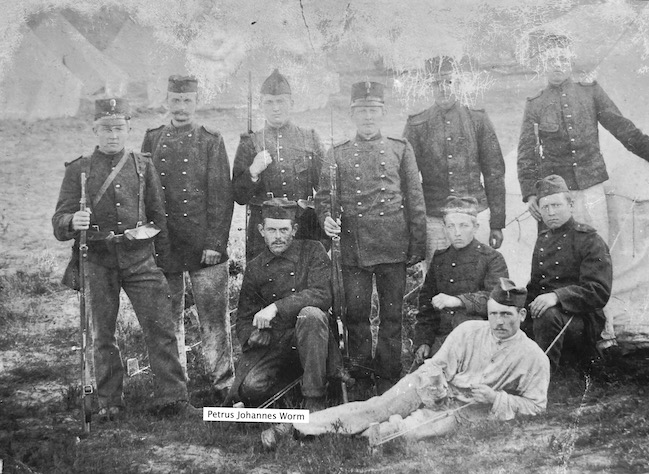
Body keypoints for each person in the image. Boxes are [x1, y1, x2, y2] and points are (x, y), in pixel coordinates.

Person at [52, 98, 197, 419]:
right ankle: (109, 401)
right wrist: (72, 220)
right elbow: (59, 221)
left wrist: (164, 263)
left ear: (129, 128)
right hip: (97, 261)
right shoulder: (79, 169)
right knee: (102, 334)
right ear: (95, 129)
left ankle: (173, 397)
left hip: (140, 260)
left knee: (161, 328)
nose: (113, 135)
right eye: (106, 128)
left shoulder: (142, 166)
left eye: (119, 128)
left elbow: (159, 216)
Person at [293, 278, 549, 442]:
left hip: (465, 411)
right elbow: (437, 366)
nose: (499, 322)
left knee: (405, 433)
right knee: (379, 407)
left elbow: (537, 406)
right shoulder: (469, 330)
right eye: (493, 314)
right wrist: (436, 385)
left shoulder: (534, 357)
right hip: (429, 387)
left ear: (522, 315)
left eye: (506, 315)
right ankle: (300, 425)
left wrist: (495, 398)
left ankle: (360, 435)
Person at [517, 33, 649, 349]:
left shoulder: (589, 91)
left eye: (563, 59)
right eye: (551, 60)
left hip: (591, 188)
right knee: (557, 261)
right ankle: (558, 330)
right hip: (556, 196)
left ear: (571, 61)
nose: (558, 65)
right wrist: (530, 193)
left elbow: (621, 126)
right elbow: (526, 151)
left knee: (596, 255)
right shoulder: (536, 103)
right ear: (543, 64)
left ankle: (604, 330)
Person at [316, 81, 427, 397]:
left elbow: (414, 198)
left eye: (373, 110)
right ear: (352, 114)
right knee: (356, 316)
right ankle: (362, 378)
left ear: (383, 113)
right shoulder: (337, 153)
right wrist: (326, 218)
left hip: (393, 244)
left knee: (392, 317)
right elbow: (324, 197)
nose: (367, 117)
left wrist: (417, 244)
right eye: (362, 111)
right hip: (355, 247)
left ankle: (389, 375)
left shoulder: (400, 149)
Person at [141, 75, 235, 398]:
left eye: (187, 101)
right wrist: (152, 242)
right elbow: (146, 193)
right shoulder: (153, 138)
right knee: (169, 320)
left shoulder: (211, 140)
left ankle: (223, 384)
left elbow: (221, 195)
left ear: (197, 102)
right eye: (176, 100)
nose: (181, 107)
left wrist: (215, 243)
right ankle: (176, 387)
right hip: (165, 244)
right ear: (166, 101)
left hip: (204, 246)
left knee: (214, 320)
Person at [225, 198, 334, 410]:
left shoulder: (313, 251)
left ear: (294, 230)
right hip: (275, 343)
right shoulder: (255, 267)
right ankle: (297, 384)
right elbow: (244, 319)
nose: (278, 237)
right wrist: (252, 336)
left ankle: (314, 398)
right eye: (272, 230)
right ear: (261, 230)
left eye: (284, 230)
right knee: (251, 389)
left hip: (313, 338)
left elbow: (322, 294)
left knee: (311, 314)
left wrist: (276, 308)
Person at [404, 56, 506, 263]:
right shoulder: (417, 125)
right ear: (429, 87)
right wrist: (414, 227)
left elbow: (494, 173)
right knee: (437, 274)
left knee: (478, 273)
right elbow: (408, 180)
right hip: (435, 218)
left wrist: (497, 223)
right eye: (437, 84)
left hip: (474, 213)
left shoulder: (477, 119)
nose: (443, 89)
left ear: (459, 83)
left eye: (449, 82)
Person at [232, 69, 327, 261]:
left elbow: (326, 189)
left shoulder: (310, 138)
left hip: (302, 227)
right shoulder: (250, 143)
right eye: (269, 102)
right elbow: (239, 197)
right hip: (263, 232)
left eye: (281, 101)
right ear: (261, 105)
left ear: (291, 103)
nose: (275, 108)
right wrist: (253, 171)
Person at [524, 175, 612, 369]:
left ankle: (547, 377)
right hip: (549, 315)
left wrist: (557, 296)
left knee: (547, 316)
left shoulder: (589, 239)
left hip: (581, 318)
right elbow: (535, 285)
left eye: (556, 205)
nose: (551, 212)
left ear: (571, 205)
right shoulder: (543, 239)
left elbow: (598, 290)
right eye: (545, 207)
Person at [414, 196, 508, 362]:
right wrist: (424, 341)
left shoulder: (492, 258)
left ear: (475, 227)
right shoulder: (440, 258)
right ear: (444, 228)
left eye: (464, 226)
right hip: (443, 336)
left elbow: (496, 299)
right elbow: (426, 306)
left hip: (478, 339)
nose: (457, 233)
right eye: (451, 226)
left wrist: (458, 301)